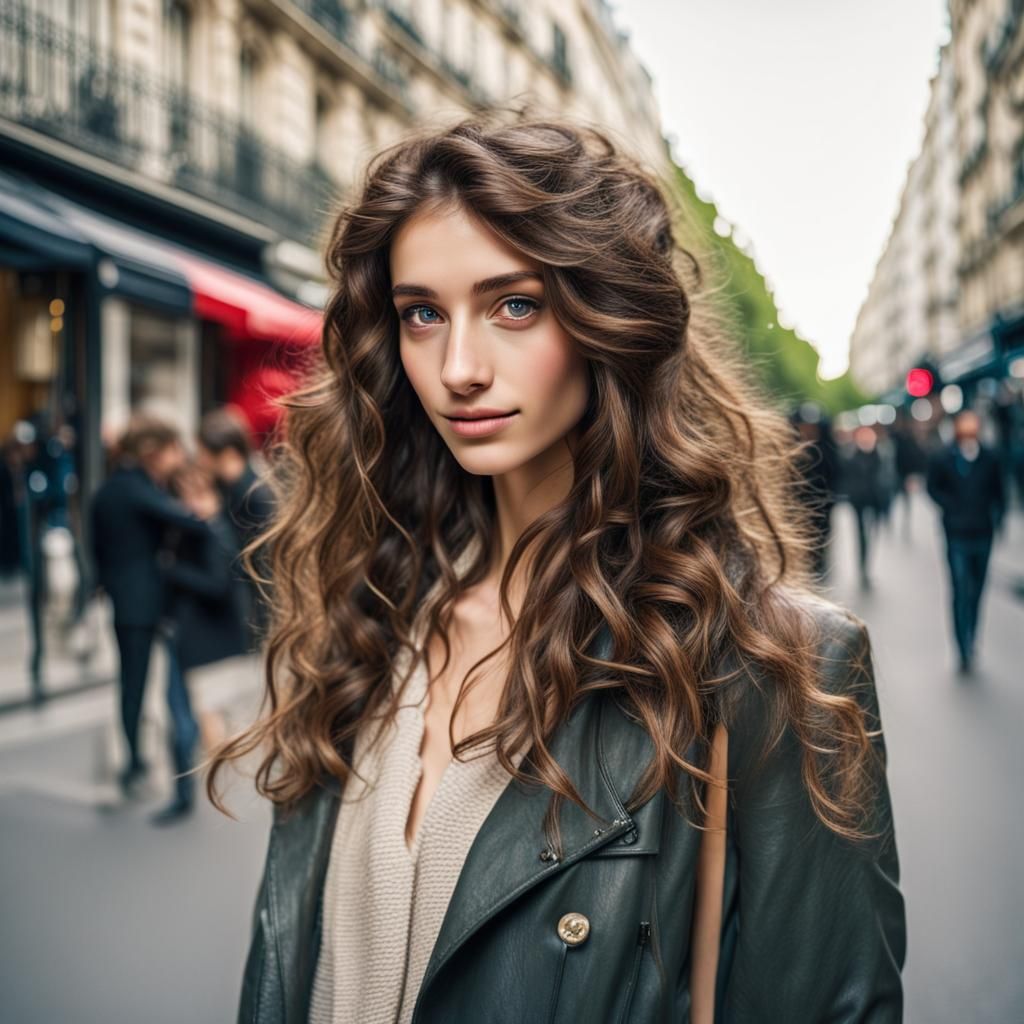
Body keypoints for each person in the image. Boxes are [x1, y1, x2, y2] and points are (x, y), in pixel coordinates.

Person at [209, 114, 905, 1023]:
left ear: (607, 320)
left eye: (514, 306)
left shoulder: (766, 668)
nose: (458, 368)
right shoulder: (368, 614)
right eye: (423, 314)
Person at [89, 415, 206, 791]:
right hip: (143, 602)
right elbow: (189, 522)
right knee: (141, 684)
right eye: (173, 449)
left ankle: (137, 758)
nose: (179, 457)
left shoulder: (111, 488)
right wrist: (207, 513)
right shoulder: (136, 488)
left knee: (133, 683)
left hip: (126, 601)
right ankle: (138, 760)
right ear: (153, 453)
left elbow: (96, 549)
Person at [151, 460, 250, 823]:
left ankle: (197, 792)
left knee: (197, 716)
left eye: (199, 494)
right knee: (193, 715)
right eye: (185, 496)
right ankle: (192, 789)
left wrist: (172, 571)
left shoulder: (213, 532)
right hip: (195, 638)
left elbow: (218, 584)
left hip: (205, 641)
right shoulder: (200, 530)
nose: (192, 503)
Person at [926, 409, 1005, 674]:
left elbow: (999, 492)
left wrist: (997, 518)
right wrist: (951, 509)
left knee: (977, 589)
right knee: (960, 588)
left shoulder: (990, 457)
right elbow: (933, 487)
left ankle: (972, 634)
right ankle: (962, 645)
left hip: (983, 532)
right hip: (956, 533)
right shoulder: (943, 457)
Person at [195, 407, 275, 648]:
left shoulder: (257, 495)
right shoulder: (228, 489)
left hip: (257, 613)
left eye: (203, 453)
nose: (200, 460)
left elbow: (264, 565)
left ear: (227, 453)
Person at [841, 425, 884, 590]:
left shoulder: (878, 455)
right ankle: (862, 566)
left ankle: (867, 564)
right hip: (858, 501)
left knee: (872, 534)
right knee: (861, 535)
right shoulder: (851, 455)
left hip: (874, 500)